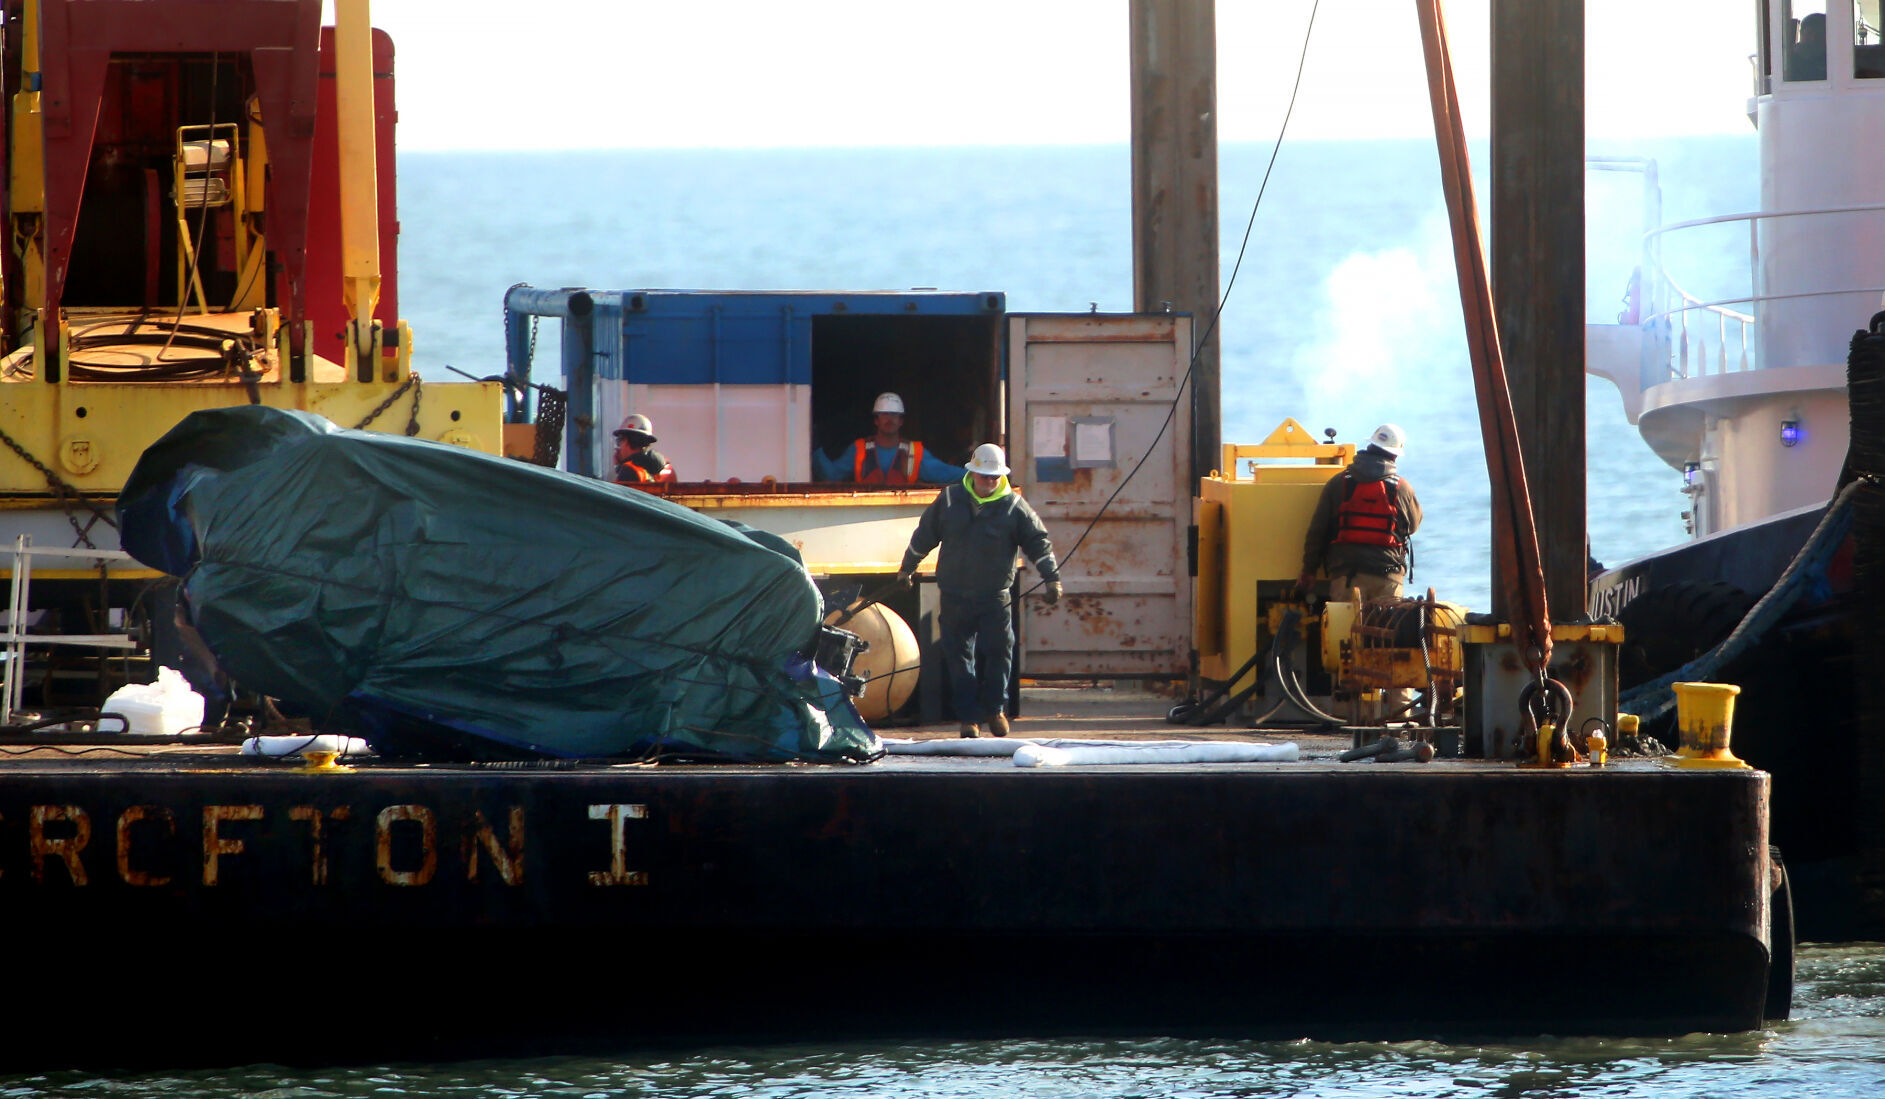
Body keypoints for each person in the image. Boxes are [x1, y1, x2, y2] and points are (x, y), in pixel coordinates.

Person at [897, 443, 1061, 738]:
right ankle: (968, 718)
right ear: (972, 473)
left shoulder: (1014, 507)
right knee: (959, 657)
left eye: (995, 477)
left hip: (995, 597)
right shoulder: (949, 499)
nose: (990, 482)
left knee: (1000, 651)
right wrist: (907, 567)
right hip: (954, 594)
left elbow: (1038, 541)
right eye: (985, 476)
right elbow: (925, 534)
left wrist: (1052, 578)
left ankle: (995, 709)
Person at [1297, 423, 1423, 604]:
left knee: (1345, 631)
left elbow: (1318, 532)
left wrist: (1309, 570)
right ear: (1395, 454)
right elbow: (1413, 526)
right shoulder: (1402, 488)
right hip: (1388, 579)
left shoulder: (1338, 483)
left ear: (1370, 446)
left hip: (1346, 577)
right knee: (1384, 631)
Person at [815, 392, 967, 484]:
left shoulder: (914, 452)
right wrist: (813, 449)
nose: (890, 419)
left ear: (901, 421)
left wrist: (976, 474)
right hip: (862, 519)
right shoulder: (859, 449)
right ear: (876, 420)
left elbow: (945, 473)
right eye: (885, 414)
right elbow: (832, 475)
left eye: (894, 415)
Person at [611, 414, 676, 484]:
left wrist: (620, 468)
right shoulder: (668, 469)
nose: (618, 447)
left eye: (619, 441)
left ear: (626, 441)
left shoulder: (629, 470)